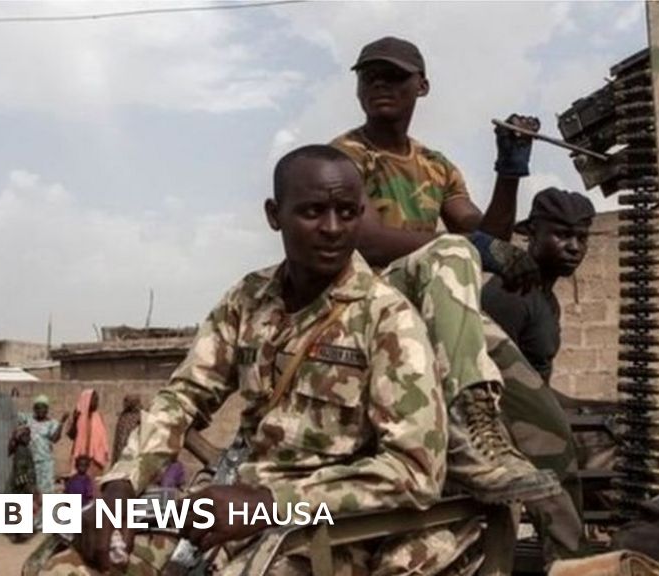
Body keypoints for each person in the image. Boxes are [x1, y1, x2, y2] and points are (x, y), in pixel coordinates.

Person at [37, 146, 472, 575]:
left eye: (346, 213)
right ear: (274, 215)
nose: (332, 228)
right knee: (68, 564)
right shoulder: (249, 299)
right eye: (313, 211)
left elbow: (415, 470)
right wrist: (121, 484)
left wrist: (269, 503)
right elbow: (184, 396)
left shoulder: (387, 319)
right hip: (224, 508)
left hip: (320, 533)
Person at [331, 36, 585, 560]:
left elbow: (483, 232)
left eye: (394, 76)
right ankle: (468, 433)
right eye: (369, 75)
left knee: (549, 433)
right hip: (369, 303)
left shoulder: (436, 165)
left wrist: (509, 171)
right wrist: (474, 246)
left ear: (422, 87)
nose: (380, 84)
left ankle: (572, 562)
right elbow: (368, 239)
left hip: (435, 305)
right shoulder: (346, 157)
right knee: (452, 254)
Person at [481, 187, 593, 514]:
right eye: (561, 235)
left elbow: (536, 388)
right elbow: (496, 388)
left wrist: (593, 407)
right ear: (531, 233)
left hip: (534, 422)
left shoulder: (545, 299)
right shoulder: (511, 293)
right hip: (505, 435)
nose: (574, 247)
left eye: (581, 238)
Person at [19, 395, 68, 497]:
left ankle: (46, 507)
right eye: (38, 407)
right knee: (32, 488)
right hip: (31, 461)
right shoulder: (28, 419)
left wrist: (62, 422)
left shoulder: (52, 423)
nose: (40, 410)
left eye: (43, 408)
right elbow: (14, 415)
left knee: (46, 490)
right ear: (34, 409)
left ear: (47, 409)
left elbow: (55, 439)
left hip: (46, 461)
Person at [66, 390, 109, 478]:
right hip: (81, 460)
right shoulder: (78, 416)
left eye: (97, 400)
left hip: (95, 459)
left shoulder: (98, 416)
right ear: (87, 399)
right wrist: (75, 420)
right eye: (94, 400)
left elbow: (103, 437)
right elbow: (71, 435)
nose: (96, 403)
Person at [112, 395, 141, 464]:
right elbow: (119, 439)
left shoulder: (140, 417)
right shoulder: (123, 417)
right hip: (123, 451)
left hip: (134, 450)